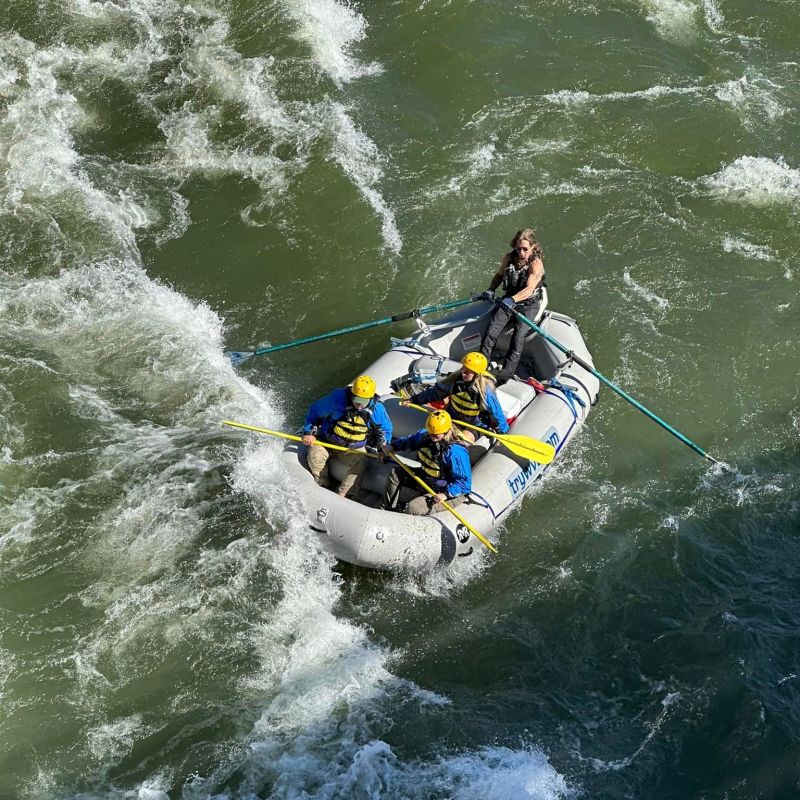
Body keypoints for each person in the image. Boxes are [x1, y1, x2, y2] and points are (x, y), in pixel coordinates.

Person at [302, 375, 392, 498]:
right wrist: (308, 432)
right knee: (315, 455)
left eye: (363, 402)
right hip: (327, 442)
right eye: (357, 400)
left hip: (353, 449)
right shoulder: (337, 398)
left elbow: (385, 430)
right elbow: (315, 411)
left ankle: (344, 494)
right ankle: (322, 484)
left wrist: (383, 448)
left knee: (362, 461)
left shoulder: (377, 409)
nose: (359, 405)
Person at [476, 228, 545, 383]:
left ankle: (505, 375)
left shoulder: (536, 264)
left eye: (525, 249)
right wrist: (491, 289)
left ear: (532, 248)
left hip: (528, 303)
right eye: (518, 248)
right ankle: (480, 366)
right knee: (491, 331)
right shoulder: (509, 258)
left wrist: (512, 300)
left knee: (518, 337)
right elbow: (500, 275)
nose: (521, 252)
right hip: (509, 299)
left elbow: (528, 290)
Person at [400, 352, 509, 444]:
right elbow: (435, 393)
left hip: (475, 424)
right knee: (432, 437)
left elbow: (497, 413)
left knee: (459, 442)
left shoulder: (486, 391)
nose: (463, 373)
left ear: (477, 374)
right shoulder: (455, 380)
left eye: (467, 372)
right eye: (463, 369)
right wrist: (414, 400)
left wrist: (502, 433)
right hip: (452, 417)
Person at [381, 409, 471, 515]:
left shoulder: (456, 452)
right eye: (431, 433)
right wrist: (393, 446)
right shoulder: (425, 435)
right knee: (395, 474)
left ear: (447, 431)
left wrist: (445, 494)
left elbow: (465, 483)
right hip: (428, 479)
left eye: (436, 435)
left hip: (448, 489)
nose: (432, 438)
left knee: (414, 507)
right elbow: (408, 441)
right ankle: (386, 510)